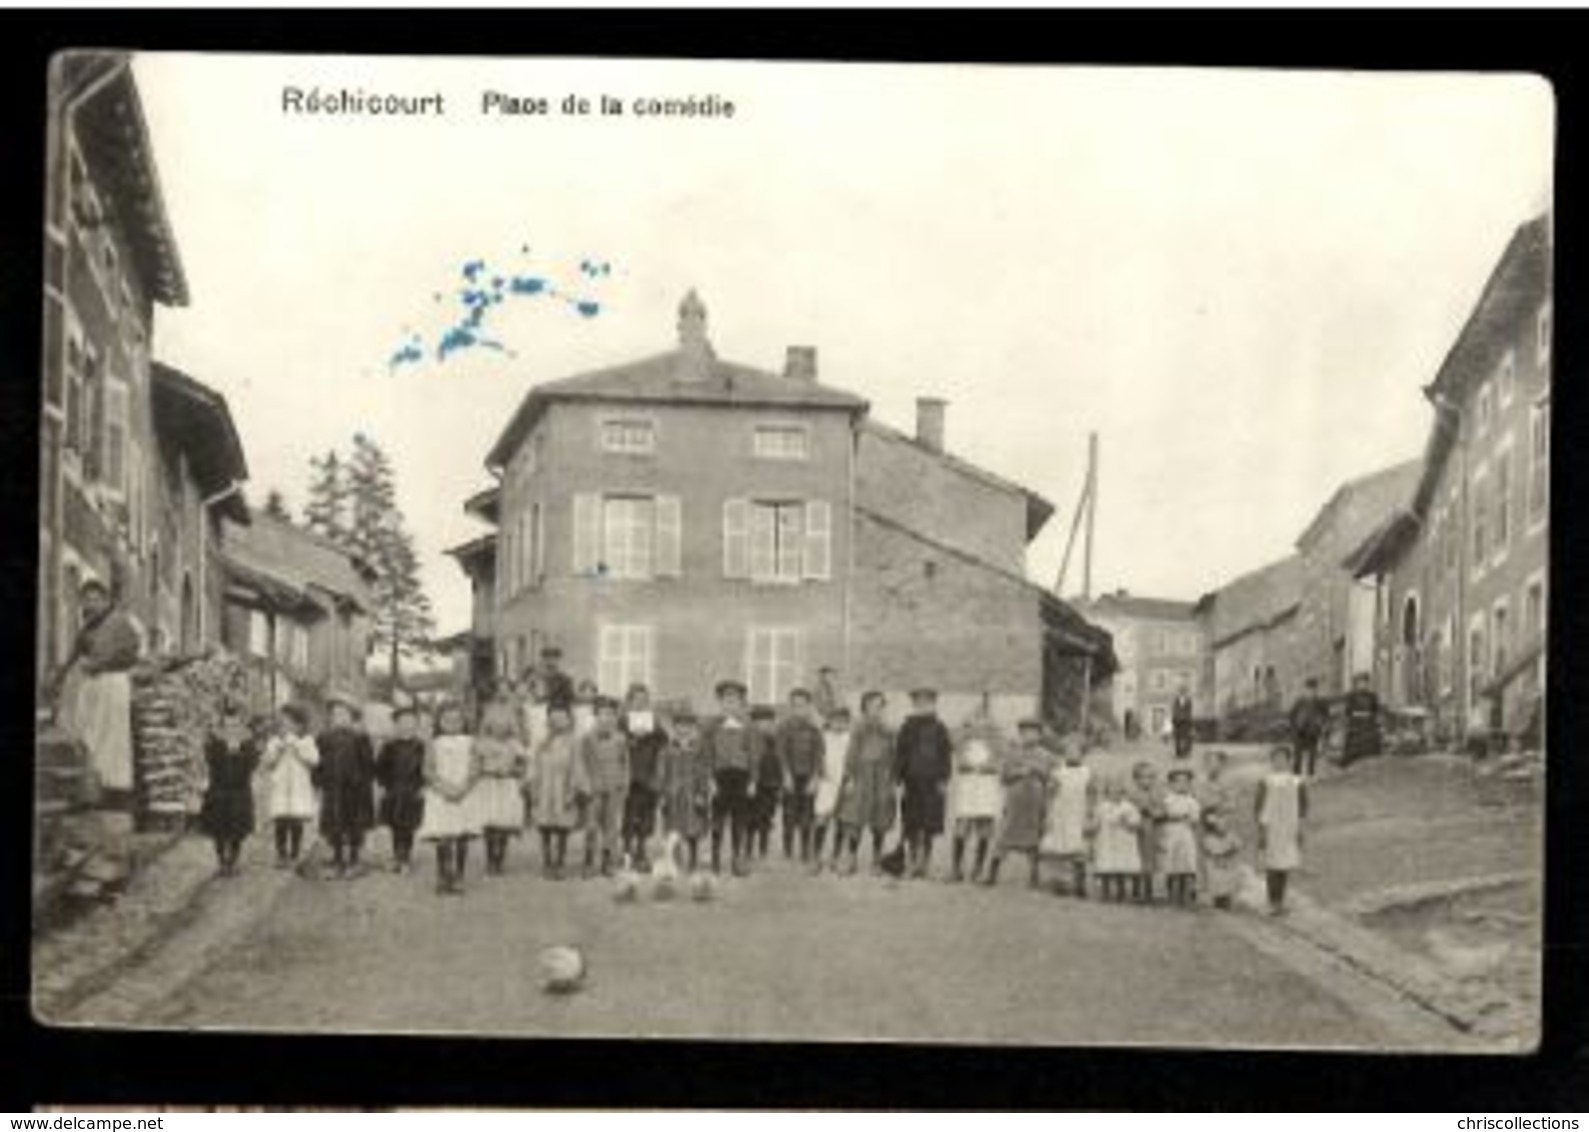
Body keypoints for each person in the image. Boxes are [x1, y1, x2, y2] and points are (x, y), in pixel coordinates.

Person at [52, 577, 141, 804]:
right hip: (93, 684)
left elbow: (131, 652)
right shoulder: (87, 628)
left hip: (114, 683)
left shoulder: (120, 622)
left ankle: (115, 788)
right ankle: (93, 786)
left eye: (95, 599)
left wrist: (101, 663)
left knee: (112, 737)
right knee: (89, 734)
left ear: (105, 600)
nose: (90, 604)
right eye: (86, 600)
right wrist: (60, 675)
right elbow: (74, 654)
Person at [418, 701, 481, 894]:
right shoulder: (433, 743)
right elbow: (428, 770)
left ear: (464, 722)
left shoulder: (470, 742)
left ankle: (459, 875)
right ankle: (443, 875)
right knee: (443, 837)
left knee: (461, 837)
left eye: (457, 720)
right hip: (442, 796)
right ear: (439, 722)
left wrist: (463, 788)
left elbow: (475, 768)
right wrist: (444, 789)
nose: (452, 724)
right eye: (447, 720)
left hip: (464, 795)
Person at [983, 719, 1053, 888]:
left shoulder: (1045, 755)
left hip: (1035, 803)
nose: (1030, 736)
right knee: (1004, 837)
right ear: (1021, 734)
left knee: (1034, 840)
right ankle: (992, 874)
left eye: (1034, 732)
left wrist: (1037, 770)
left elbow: (1050, 776)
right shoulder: (1012, 753)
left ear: (1039, 735)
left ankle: (1034, 876)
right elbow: (1004, 776)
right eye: (1026, 732)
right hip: (1015, 802)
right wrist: (1020, 771)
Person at [835, 691, 898, 875]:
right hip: (862, 776)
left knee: (880, 818)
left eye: (880, 707)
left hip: (882, 778)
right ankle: (851, 857)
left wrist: (892, 778)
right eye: (872, 707)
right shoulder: (859, 728)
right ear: (864, 709)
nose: (876, 711)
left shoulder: (889, 731)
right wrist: (850, 778)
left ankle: (876, 859)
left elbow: (893, 756)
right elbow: (851, 755)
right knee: (855, 818)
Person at [894, 688, 954, 880]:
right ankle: (912, 861)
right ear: (914, 706)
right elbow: (900, 754)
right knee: (912, 822)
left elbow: (946, 756)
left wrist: (944, 779)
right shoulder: (907, 727)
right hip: (912, 782)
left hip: (932, 782)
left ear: (934, 705)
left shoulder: (940, 728)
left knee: (929, 823)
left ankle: (925, 862)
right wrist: (899, 779)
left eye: (927, 703)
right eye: (919, 703)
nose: (923, 707)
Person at [314, 696, 377, 880]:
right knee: (335, 824)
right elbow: (318, 762)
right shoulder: (324, 737)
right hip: (333, 789)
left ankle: (354, 858)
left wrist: (364, 782)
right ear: (330, 718)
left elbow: (368, 764)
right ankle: (338, 857)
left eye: (344, 714)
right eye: (335, 714)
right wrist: (318, 781)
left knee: (354, 825)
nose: (339, 718)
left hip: (355, 791)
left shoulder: (360, 738)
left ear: (352, 717)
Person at [199, 702, 261, 877]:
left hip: (239, 791)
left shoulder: (247, 740)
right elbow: (210, 760)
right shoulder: (215, 740)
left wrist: (238, 753)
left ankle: (233, 860)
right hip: (219, 790)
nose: (231, 728)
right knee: (218, 828)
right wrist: (224, 750)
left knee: (237, 829)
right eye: (227, 724)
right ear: (223, 723)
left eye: (235, 724)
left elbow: (253, 763)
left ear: (240, 724)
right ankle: (221, 860)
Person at [705, 680, 756, 876]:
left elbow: (753, 755)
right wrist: (710, 779)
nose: (730, 705)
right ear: (720, 703)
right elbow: (707, 754)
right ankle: (715, 859)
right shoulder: (712, 726)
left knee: (739, 820)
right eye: (726, 701)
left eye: (734, 701)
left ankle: (737, 859)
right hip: (720, 777)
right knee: (717, 820)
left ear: (741, 704)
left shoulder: (748, 727)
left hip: (741, 777)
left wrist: (752, 780)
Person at [949, 710, 1005, 883]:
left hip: (986, 787)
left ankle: (977, 868)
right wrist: (965, 725)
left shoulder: (995, 742)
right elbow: (953, 740)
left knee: (984, 827)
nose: (979, 726)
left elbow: (1001, 756)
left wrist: (989, 765)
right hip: (968, 786)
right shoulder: (963, 742)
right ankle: (956, 868)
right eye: (975, 722)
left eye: (983, 722)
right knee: (962, 825)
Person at [577, 695, 630, 877]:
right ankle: (588, 860)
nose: (606, 718)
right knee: (591, 826)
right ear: (595, 716)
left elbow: (625, 763)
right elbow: (582, 763)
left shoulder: (620, 739)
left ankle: (607, 862)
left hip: (614, 788)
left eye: (610, 714)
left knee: (611, 827)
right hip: (594, 789)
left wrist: (624, 784)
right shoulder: (587, 738)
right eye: (602, 714)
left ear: (615, 717)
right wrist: (585, 785)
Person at [475, 697, 528, 876]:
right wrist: (486, 770)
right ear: (488, 725)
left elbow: (524, 765)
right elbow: (475, 765)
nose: (499, 728)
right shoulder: (482, 744)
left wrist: (513, 771)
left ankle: (500, 858)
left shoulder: (514, 744)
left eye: (504, 725)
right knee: (490, 822)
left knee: (504, 823)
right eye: (494, 725)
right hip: (489, 784)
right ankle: (490, 858)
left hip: (508, 785)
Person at [262, 703, 318, 869]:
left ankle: (294, 853)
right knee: (280, 822)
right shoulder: (274, 741)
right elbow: (267, 763)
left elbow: (314, 760)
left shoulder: (307, 741)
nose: (285, 727)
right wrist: (277, 752)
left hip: (298, 788)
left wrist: (297, 746)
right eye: (283, 723)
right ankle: (281, 854)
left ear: (299, 725)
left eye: (289, 723)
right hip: (281, 788)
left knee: (295, 822)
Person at [658, 706, 712, 873]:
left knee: (693, 827)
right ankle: (674, 857)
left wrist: (702, 793)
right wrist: (662, 794)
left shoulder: (699, 749)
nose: (684, 729)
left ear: (693, 727)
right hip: (673, 794)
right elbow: (661, 773)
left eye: (688, 725)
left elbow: (704, 772)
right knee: (672, 826)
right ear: (674, 727)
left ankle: (693, 858)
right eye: (680, 725)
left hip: (692, 793)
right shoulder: (667, 750)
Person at [1255, 744, 1308, 915]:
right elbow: (1259, 804)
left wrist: (1300, 826)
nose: (1279, 762)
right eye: (1276, 759)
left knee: (1285, 864)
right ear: (1272, 762)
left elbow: (1303, 806)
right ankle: (1272, 900)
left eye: (1283, 759)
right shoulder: (1266, 781)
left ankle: (1281, 900)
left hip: (1289, 827)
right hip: (1271, 826)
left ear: (1289, 761)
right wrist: (1261, 827)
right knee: (1272, 864)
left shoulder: (1297, 781)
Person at [529, 702, 580, 879]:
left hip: (563, 787)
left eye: (562, 719)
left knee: (562, 828)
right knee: (545, 827)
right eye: (554, 719)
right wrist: (533, 789)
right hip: (544, 788)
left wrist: (571, 791)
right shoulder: (541, 741)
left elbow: (576, 768)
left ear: (569, 721)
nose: (558, 722)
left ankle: (560, 862)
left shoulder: (574, 742)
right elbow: (534, 767)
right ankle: (547, 861)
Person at [375, 705, 427, 874]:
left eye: (410, 721)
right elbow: (380, 767)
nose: (407, 725)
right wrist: (383, 785)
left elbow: (426, 768)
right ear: (396, 724)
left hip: (413, 789)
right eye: (402, 721)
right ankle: (398, 855)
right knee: (395, 824)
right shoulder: (389, 746)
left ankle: (406, 856)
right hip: (394, 789)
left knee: (409, 825)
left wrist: (424, 786)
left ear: (416, 724)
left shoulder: (421, 746)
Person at [1042, 736, 1096, 898]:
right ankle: (1060, 883)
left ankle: (1080, 883)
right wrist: (1049, 813)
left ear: (1083, 754)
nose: (1072, 755)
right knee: (1060, 847)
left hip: (1079, 812)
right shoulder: (1058, 772)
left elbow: (1092, 794)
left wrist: (1089, 814)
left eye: (1076, 751)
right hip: (1061, 812)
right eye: (1068, 752)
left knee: (1078, 848)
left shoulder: (1088, 773)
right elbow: (1050, 794)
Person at [776, 688, 825, 862]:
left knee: (807, 815)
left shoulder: (814, 729)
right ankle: (787, 850)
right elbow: (780, 752)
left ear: (809, 707)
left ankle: (805, 850)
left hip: (808, 777)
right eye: (795, 706)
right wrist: (786, 774)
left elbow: (819, 754)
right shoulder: (784, 727)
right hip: (790, 777)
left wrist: (815, 777)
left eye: (803, 706)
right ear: (790, 707)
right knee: (788, 814)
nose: (799, 709)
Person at [621, 684, 667, 869]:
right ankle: (626, 852)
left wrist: (653, 731)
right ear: (629, 702)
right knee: (629, 815)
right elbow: (616, 742)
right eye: (636, 699)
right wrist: (630, 739)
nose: (640, 703)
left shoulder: (654, 722)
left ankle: (641, 851)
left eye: (644, 700)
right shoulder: (622, 722)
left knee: (646, 816)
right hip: (629, 777)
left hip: (648, 776)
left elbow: (664, 741)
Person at [810, 705, 852, 874]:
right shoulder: (823, 737)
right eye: (835, 721)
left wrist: (849, 779)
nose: (838, 724)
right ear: (829, 721)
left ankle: (835, 857)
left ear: (848, 723)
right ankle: (817, 857)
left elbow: (852, 761)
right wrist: (819, 773)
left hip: (843, 783)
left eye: (842, 721)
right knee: (821, 819)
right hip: (826, 783)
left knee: (841, 822)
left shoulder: (850, 739)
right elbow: (817, 757)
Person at [1091, 777, 1142, 903]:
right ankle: (1105, 893)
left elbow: (1136, 824)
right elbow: (1095, 823)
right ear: (1107, 792)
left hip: (1123, 842)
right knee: (1106, 868)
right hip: (1106, 841)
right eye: (1112, 791)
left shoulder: (1129, 807)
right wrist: (1091, 829)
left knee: (1121, 869)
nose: (1115, 794)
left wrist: (1127, 822)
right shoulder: (1101, 807)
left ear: (1123, 792)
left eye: (1119, 791)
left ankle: (1121, 894)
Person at [1160, 765, 1202, 907]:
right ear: (1171, 784)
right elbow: (1163, 815)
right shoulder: (1167, 800)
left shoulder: (1192, 801)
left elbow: (1195, 819)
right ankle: (1171, 892)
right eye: (1177, 782)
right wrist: (1174, 817)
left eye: (1185, 782)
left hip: (1186, 833)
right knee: (1171, 862)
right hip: (1171, 833)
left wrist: (1188, 818)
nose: (1182, 785)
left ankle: (1186, 892)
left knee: (1187, 863)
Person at [1126, 761, 1165, 904]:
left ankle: (1148, 891)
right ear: (1136, 779)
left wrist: (1152, 812)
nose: (1146, 781)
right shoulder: (1132, 795)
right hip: (1135, 831)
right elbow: (1125, 811)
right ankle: (1136, 890)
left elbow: (1162, 812)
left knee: (1149, 859)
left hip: (1151, 830)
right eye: (1142, 778)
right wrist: (1135, 812)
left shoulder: (1157, 794)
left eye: (1150, 777)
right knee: (1135, 858)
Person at [748, 706, 783, 860]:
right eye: (760, 722)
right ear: (753, 723)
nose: (764, 725)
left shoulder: (776, 742)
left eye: (768, 722)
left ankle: (763, 850)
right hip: (753, 785)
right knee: (750, 819)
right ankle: (748, 850)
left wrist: (780, 785)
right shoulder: (748, 740)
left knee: (766, 818)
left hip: (771, 785)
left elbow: (781, 763)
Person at [1200, 805, 1243, 911]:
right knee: (1215, 876)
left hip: (1227, 859)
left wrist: (1230, 850)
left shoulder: (1229, 834)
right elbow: (1209, 849)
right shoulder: (1209, 838)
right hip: (1216, 859)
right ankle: (1219, 898)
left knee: (1227, 877)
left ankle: (1226, 897)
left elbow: (1237, 844)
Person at [1288, 677, 1327, 777]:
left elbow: (1325, 715)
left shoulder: (1320, 702)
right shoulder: (1300, 701)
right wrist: (1294, 728)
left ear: (1316, 690)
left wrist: (1320, 724)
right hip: (1299, 731)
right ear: (1305, 690)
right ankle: (1296, 774)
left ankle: (1311, 773)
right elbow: (1291, 715)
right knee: (1298, 754)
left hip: (1312, 731)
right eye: (1309, 690)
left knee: (1312, 754)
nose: (1311, 692)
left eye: (1313, 690)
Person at [1342, 672, 1382, 768]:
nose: (1363, 685)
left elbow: (1376, 710)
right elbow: (1348, 711)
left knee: (1371, 749)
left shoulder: (1372, 696)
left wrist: (1373, 718)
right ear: (1357, 684)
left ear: (1367, 684)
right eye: (1360, 683)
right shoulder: (1351, 696)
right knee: (1353, 748)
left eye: (1365, 682)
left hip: (1369, 725)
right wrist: (1355, 716)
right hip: (1356, 725)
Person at [538, 646, 576, 710]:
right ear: (543, 660)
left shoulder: (565, 679)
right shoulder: (538, 676)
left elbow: (570, 696)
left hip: (558, 709)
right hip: (539, 708)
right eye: (547, 658)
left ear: (558, 660)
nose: (550, 661)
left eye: (554, 658)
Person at [1171, 684, 1195, 760]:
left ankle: (1186, 752)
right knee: (1177, 737)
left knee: (1186, 737)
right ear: (1179, 692)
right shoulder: (1176, 700)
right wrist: (1175, 719)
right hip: (1177, 722)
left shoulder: (1189, 700)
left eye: (1184, 692)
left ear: (1186, 693)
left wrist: (1188, 720)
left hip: (1186, 722)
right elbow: (1174, 710)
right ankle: (1178, 753)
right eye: (1181, 691)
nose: (1182, 693)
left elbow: (1189, 711)